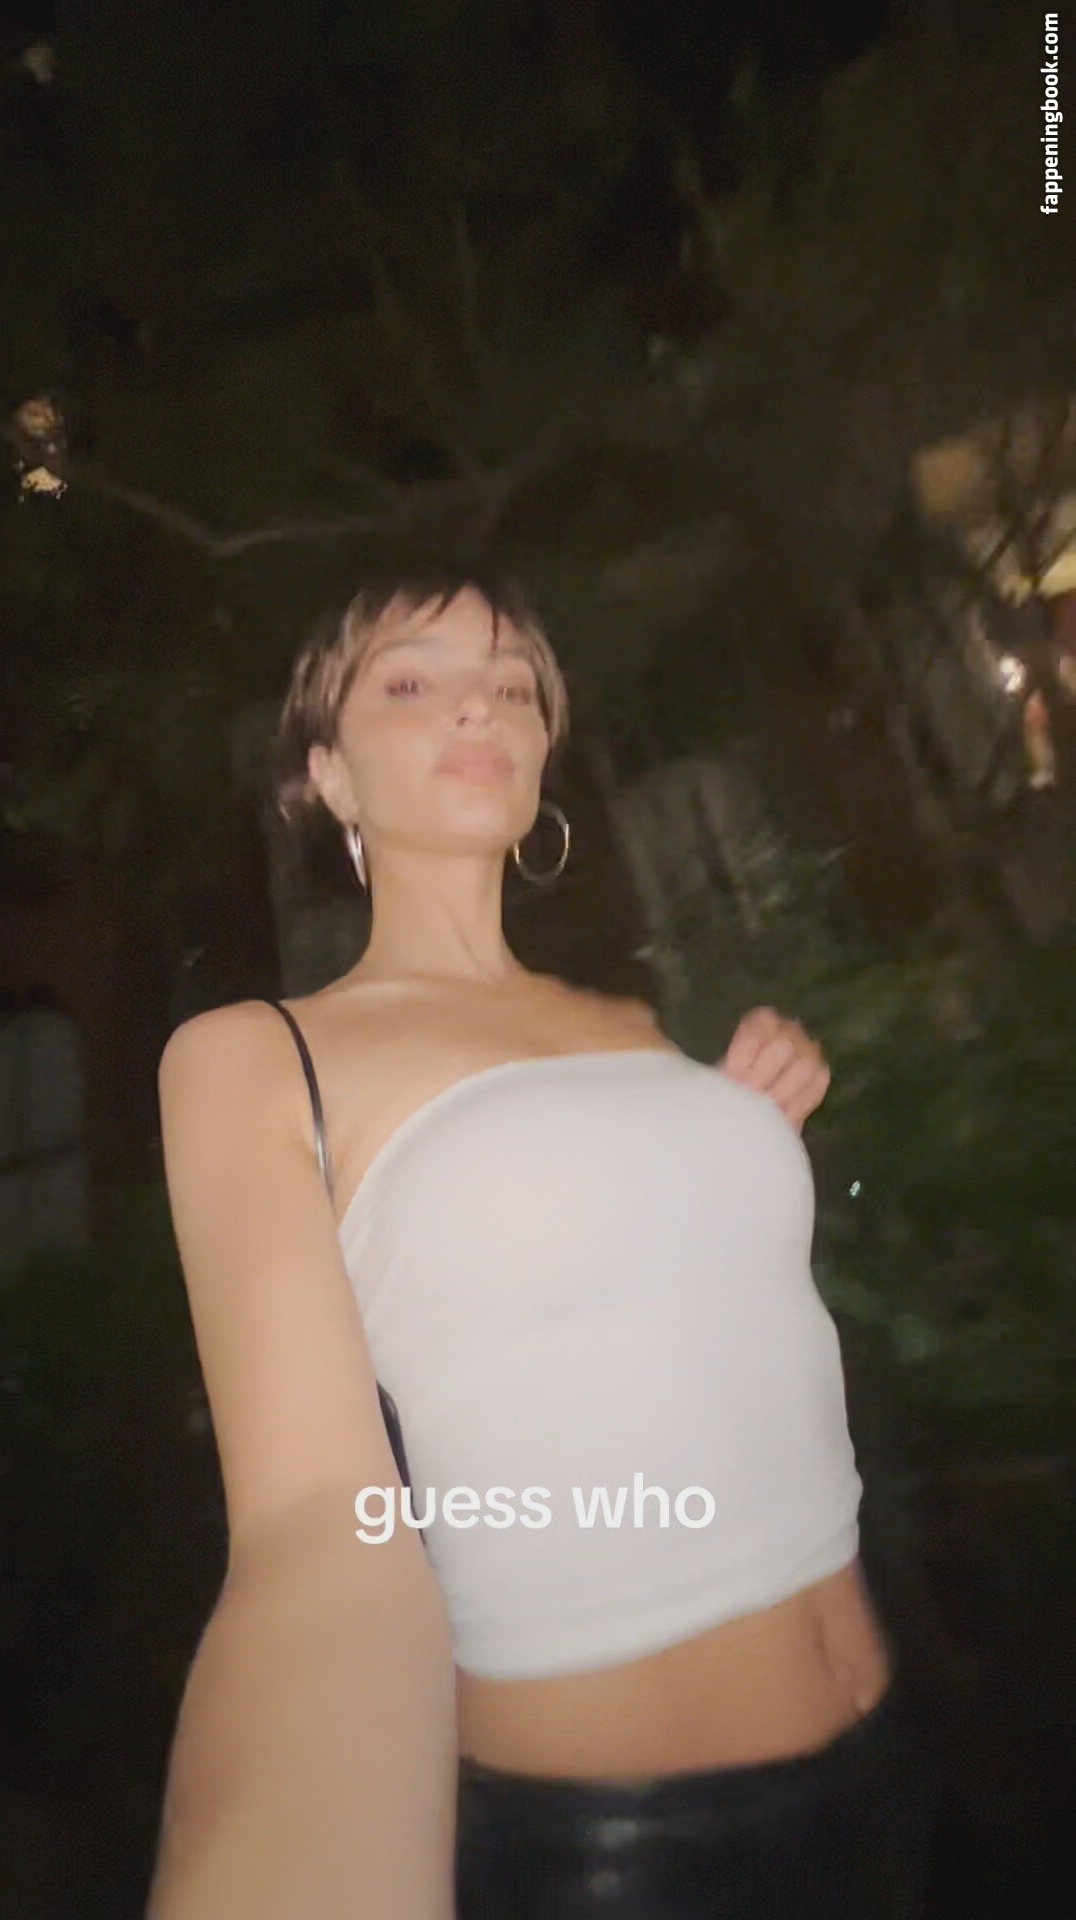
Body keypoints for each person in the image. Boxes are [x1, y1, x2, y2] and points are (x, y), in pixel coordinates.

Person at [148, 566, 935, 1919]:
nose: (480, 707)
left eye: (512, 687)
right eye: (413, 682)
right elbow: (316, 1532)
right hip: (621, 1851)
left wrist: (734, 1138)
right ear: (329, 776)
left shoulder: (631, 1021)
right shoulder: (257, 1056)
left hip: (889, 1770)